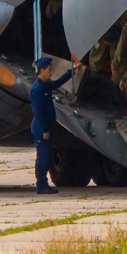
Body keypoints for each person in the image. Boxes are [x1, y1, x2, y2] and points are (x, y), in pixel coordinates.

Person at [30, 57, 74, 194]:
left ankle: (44, 184)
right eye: (49, 70)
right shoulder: (37, 88)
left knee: (46, 156)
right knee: (42, 157)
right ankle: (41, 185)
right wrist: (44, 130)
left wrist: (73, 71)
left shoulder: (45, 85)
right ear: (41, 70)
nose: (51, 72)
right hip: (40, 127)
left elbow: (58, 82)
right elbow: (37, 111)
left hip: (46, 126)